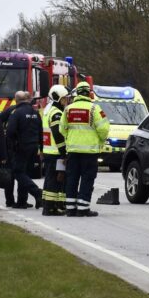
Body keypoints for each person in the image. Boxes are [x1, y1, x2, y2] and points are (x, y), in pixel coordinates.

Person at [59, 81, 110, 217]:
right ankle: (82, 208)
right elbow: (104, 129)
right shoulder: (95, 109)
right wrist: (100, 141)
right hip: (90, 153)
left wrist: (70, 140)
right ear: (89, 93)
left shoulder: (68, 109)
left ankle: (70, 208)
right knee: (87, 180)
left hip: (73, 152)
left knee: (72, 179)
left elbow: (61, 129)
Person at [6, 91, 43, 209]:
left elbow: (10, 131)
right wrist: (41, 148)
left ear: (16, 101)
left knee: (18, 172)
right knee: (24, 172)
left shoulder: (16, 113)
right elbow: (41, 131)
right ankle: (22, 201)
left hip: (21, 147)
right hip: (34, 147)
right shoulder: (35, 112)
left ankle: (37, 192)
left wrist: (12, 144)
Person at [41, 84, 70, 216]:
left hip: (48, 151)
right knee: (55, 180)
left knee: (49, 179)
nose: (66, 101)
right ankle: (50, 208)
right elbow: (58, 136)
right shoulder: (57, 114)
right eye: (64, 99)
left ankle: (48, 205)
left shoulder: (48, 111)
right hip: (55, 153)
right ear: (58, 99)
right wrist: (64, 153)